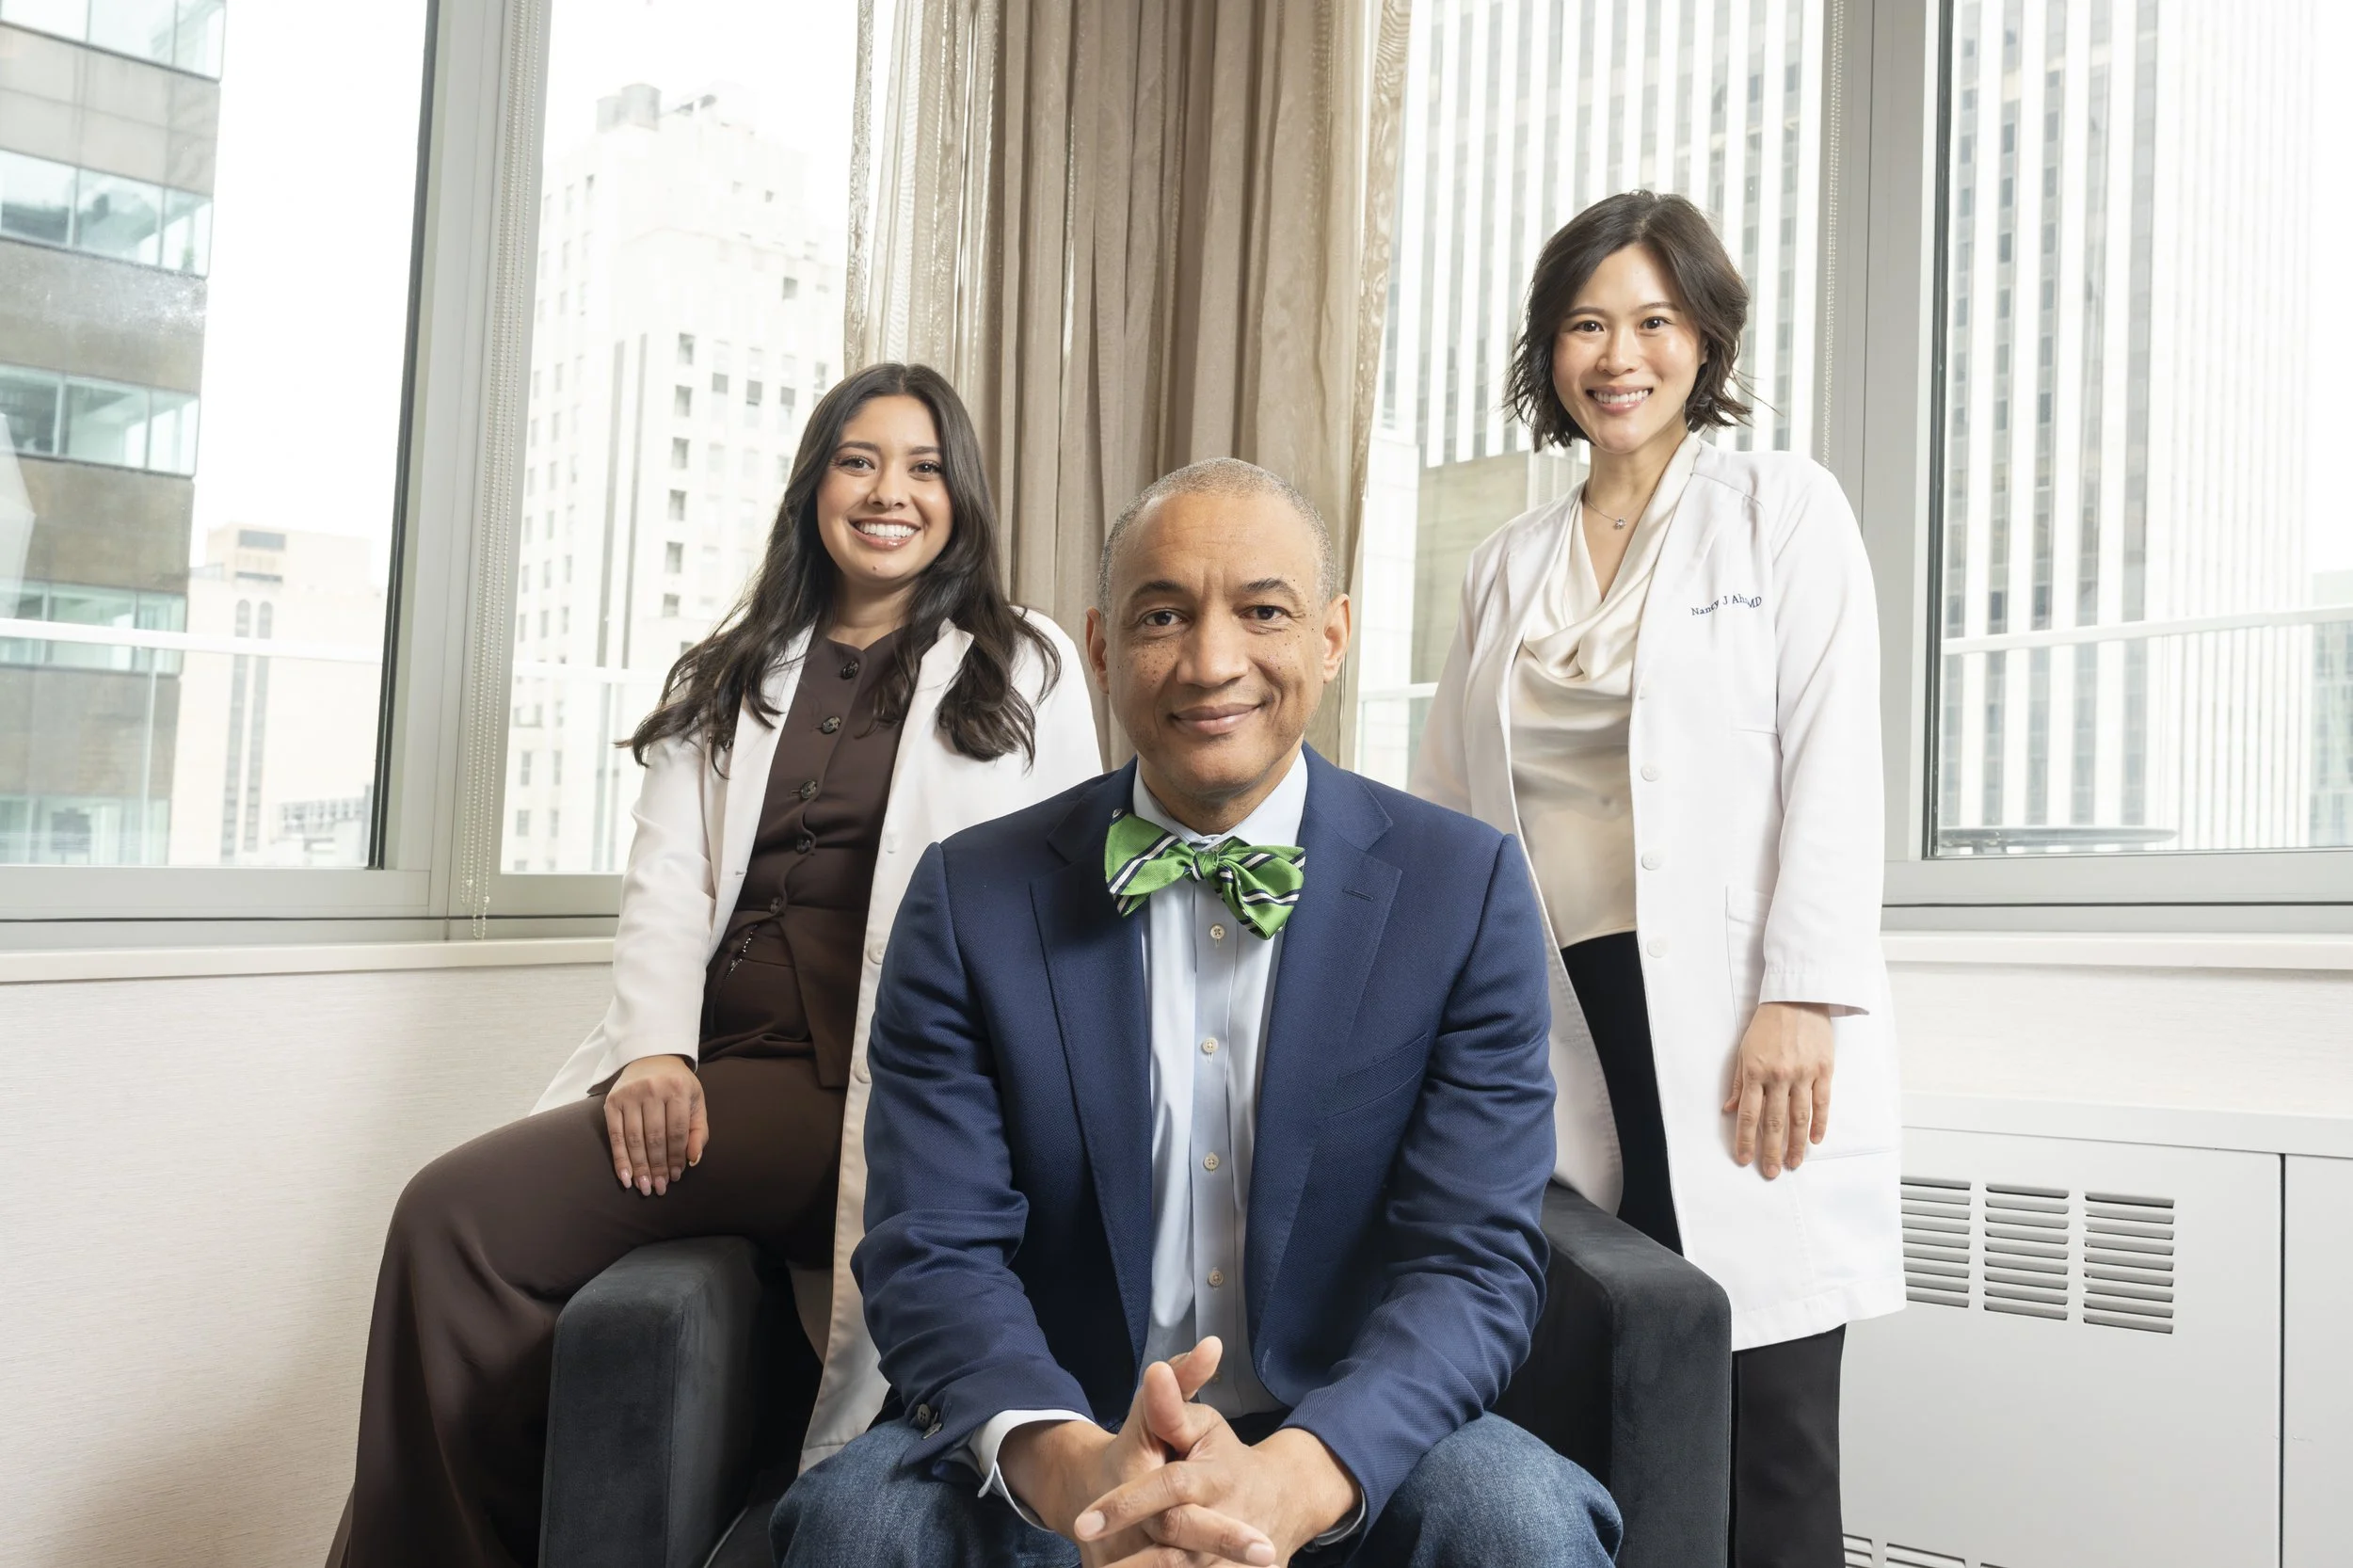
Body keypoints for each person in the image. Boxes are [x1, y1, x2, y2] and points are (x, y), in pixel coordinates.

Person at [771, 457, 1621, 1568]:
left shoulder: (1460, 889)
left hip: (1345, 1436)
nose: (1212, 662)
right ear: (1101, 645)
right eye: (1162, 615)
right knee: (855, 1528)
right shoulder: (968, 895)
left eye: (1262, 610)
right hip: (1055, 1427)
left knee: (1524, 1522)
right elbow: (932, 1246)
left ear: (1330, 634)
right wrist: (1074, 1465)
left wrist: (1297, 1477)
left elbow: (1472, 1261)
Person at [328, 362, 1102, 1568]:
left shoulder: (1024, 663)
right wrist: (652, 1049)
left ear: (962, 496)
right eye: (857, 460)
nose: (888, 491)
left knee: (449, 1218)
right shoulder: (735, 664)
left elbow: (1067, 901)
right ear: (814, 487)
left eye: (922, 466)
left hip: (872, 1088)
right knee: (456, 1232)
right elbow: (666, 888)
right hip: (708, 1069)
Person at [1414, 189, 1903, 1565]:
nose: (1617, 354)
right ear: (1549, 352)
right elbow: (1449, 805)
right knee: (1608, 1372)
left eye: (1650, 320)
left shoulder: (1781, 511)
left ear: (1703, 337)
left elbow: (1833, 761)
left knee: (1772, 1401)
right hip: (1560, 1017)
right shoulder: (1507, 563)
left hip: (1740, 1014)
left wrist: (1802, 995)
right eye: (1585, 324)